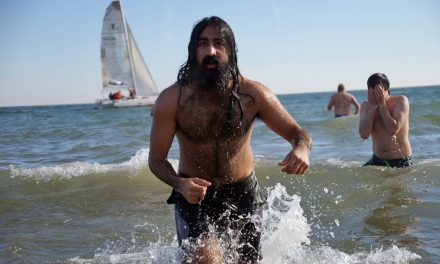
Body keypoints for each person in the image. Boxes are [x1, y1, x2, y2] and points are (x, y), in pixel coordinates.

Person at [148, 16, 312, 263]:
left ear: (230, 50)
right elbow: (156, 159)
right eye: (203, 43)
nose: (211, 51)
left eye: (219, 43)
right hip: (194, 198)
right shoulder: (172, 100)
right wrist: (179, 184)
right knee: (206, 260)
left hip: (244, 195)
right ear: (193, 51)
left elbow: (298, 133)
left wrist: (301, 149)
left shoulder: (253, 95)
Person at [359, 73, 412, 168]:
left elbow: (393, 130)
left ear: (386, 88)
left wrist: (382, 104)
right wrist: (372, 107)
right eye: (371, 90)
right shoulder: (366, 106)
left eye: (378, 90)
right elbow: (364, 134)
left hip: (400, 160)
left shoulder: (400, 101)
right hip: (377, 159)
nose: (375, 93)